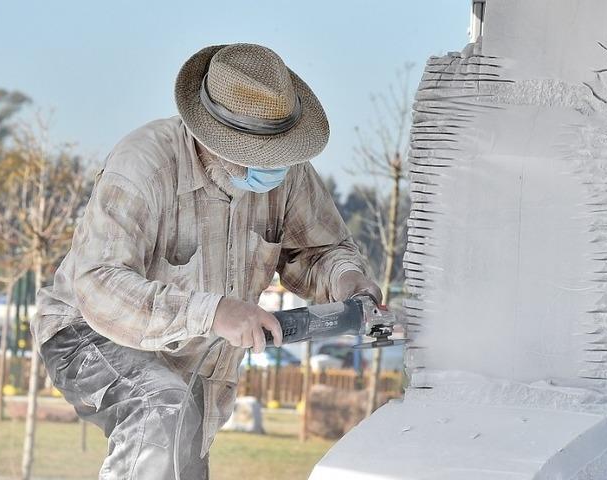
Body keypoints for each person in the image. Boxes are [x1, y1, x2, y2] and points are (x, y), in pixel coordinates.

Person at [34, 43, 381, 479]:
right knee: (162, 408)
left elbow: (319, 251)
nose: (270, 168)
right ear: (212, 137)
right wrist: (214, 311)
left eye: (276, 153)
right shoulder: (145, 164)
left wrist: (348, 281)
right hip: (87, 329)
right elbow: (97, 282)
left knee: (181, 462)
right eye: (256, 153)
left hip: (191, 350)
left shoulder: (288, 174)